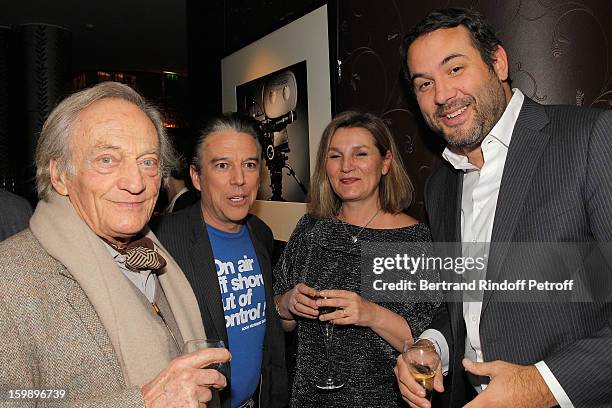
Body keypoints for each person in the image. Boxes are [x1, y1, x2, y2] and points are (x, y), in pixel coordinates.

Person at [395, 8, 612, 408]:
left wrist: (544, 386)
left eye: (455, 68)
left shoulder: (589, 138)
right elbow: (463, 305)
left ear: (498, 62)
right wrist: (432, 345)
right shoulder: (441, 185)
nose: (442, 95)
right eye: (424, 84)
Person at [0, 81, 229, 407]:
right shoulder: (11, 279)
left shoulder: (158, 254)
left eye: (148, 162)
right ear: (60, 175)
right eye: (107, 160)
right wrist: (144, 402)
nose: (136, 183)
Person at [274, 111, 441, 407]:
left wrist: (370, 313)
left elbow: (424, 342)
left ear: (386, 162)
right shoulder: (312, 228)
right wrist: (287, 303)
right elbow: (280, 317)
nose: (346, 167)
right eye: (335, 156)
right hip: (307, 400)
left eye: (360, 154)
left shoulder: (411, 240)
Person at [154, 113, 289, 408]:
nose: (239, 180)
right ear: (196, 177)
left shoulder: (260, 233)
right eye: (222, 165)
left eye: (250, 165)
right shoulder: (163, 241)